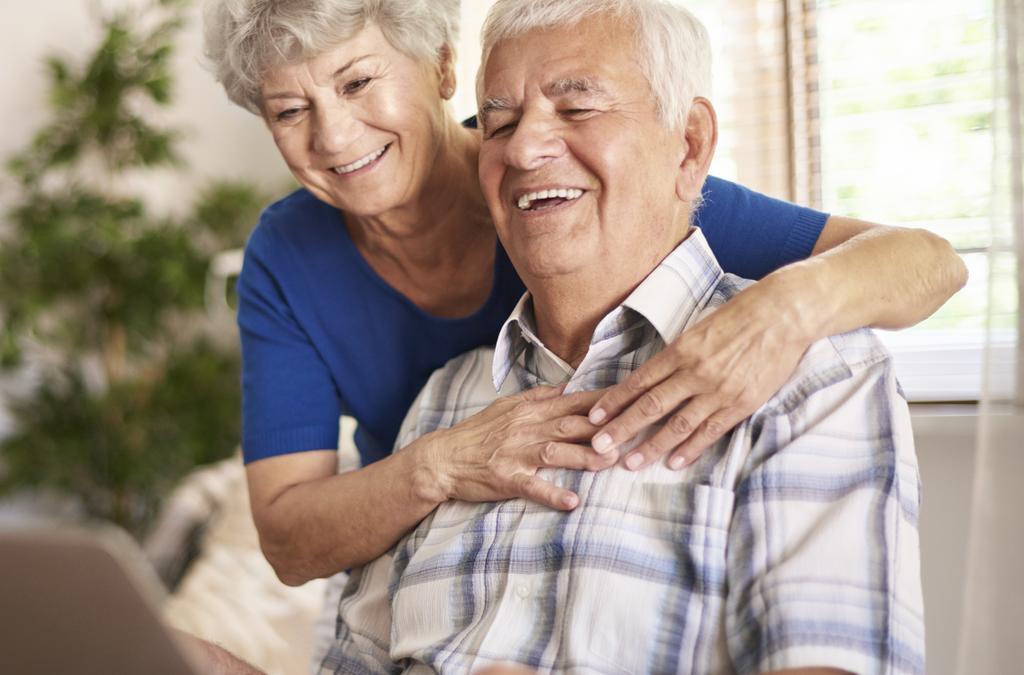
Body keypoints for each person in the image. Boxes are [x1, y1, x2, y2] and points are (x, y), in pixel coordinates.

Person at [202, 0, 963, 588]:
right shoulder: (288, 254)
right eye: (289, 111)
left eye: (358, 81)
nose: (333, 137)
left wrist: (786, 308)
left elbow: (927, 262)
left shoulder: (566, 182)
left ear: (438, 66)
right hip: (424, 583)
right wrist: (441, 464)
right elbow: (290, 537)